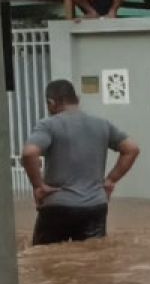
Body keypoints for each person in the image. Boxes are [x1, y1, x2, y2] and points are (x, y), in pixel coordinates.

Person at [20, 80, 140, 245]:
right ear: (77, 99)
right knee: (91, 260)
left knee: (47, 262)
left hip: (57, 205)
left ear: (51, 103)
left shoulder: (48, 125)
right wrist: (111, 180)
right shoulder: (102, 124)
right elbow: (132, 149)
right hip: (95, 206)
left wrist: (38, 186)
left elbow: (29, 153)